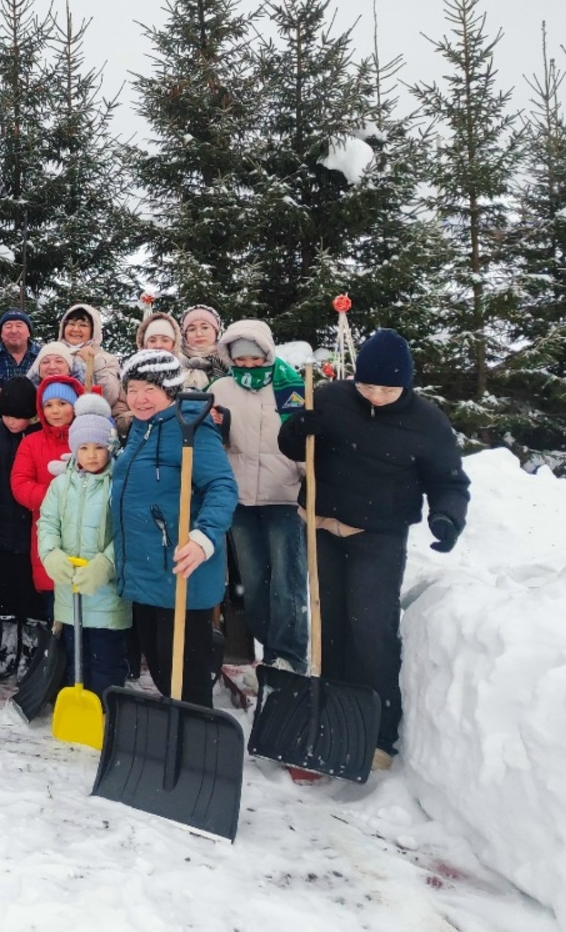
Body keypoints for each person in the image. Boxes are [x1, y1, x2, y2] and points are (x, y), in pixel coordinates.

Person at [277, 328, 470, 768]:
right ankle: (328, 711)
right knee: (328, 626)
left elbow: (449, 481)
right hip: (323, 525)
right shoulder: (330, 398)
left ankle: (378, 730)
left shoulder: (427, 422)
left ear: (406, 384)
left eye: (387, 388)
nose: (376, 395)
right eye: (367, 386)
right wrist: (298, 428)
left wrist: (447, 517)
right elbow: (291, 445)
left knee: (370, 629)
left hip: (378, 535)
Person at [110, 349, 237, 710]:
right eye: (132, 389)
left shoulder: (191, 428)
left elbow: (222, 487)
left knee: (185, 678)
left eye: (150, 388)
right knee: (165, 674)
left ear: (170, 391)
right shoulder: (140, 430)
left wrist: (203, 538)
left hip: (180, 570)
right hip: (146, 571)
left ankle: (199, 746)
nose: (139, 398)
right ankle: (177, 736)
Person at [207, 320, 307, 672]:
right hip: (240, 501)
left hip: (284, 497)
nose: (248, 366)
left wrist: (307, 472)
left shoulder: (291, 387)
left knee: (287, 583)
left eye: (254, 358)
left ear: (266, 353)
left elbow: (306, 441)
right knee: (254, 582)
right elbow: (210, 440)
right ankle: (267, 650)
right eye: (240, 359)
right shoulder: (220, 388)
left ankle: (290, 657)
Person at [36, 401, 130, 698]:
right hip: (70, 591)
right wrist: (51, 554)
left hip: (106, 596)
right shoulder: (60, 485)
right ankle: (79, 707)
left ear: (111, 448)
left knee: (106, 661)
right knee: (77, 658)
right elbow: (47, 523)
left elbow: (127, 533)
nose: (91, 455)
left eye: (99, 447)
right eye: (84, 447)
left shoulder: (119, 485)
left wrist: (106, 564)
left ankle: (107, 709)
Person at [0, 375, 41, 675]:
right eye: (7, 416)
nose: (13, 423)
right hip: (1, 525)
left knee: (30, 591)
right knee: (5, 588)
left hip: (33, 526)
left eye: (20, 417)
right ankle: (6, 648)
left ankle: (30, 649)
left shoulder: (39, 433)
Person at [10, 377, 82, 599]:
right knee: (57, 602)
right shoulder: (31, 442)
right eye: (48, 405)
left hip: (86, 528)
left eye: (62, 403)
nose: (56, 411)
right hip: (49, 529)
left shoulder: (88, 439)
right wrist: (58, 497)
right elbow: (21, 485)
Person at [55, 302, 123, 411]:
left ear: (93, 331)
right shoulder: (51, 353)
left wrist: (95, 361)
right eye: (71, 324)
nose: (76, 329)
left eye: (83, 325)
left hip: (90, 421)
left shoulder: (107, 359)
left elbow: (110, 398)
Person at [0, 310, 41, 408]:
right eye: (8, 326)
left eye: (19, 326)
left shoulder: (43, 356)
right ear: (1, 333)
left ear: (29, 332)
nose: (14, 330)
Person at [181, 305, 226, 387]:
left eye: (205, 328)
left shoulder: (231, 362)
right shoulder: (175, 363)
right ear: (185, 335)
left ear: (216, 331)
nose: (199, 334)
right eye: (192, 329)